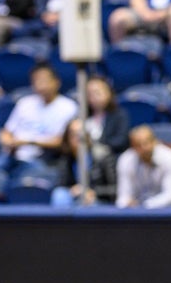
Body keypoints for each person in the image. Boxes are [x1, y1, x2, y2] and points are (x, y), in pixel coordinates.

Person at [0, 64, 78, 192]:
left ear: (56, 82)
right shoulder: (25, 103)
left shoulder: (68, 107)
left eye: (44, 80)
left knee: (23, 186)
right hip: (12, 155)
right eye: (36, 80)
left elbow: (64, 142)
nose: (40, 84)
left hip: (43, 160)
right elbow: (6, 132)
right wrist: (8, 142)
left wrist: (29, 142)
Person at [55, 76, 130, 206]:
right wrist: (74, 189)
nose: (94, 97)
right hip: (81, 185)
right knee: (60, 195)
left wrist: (94, 192)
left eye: (98, 92)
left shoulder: (119, 115)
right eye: (89, 93)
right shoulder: (81, 117)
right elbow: (64, 182)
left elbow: (121, 140)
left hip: (108, 161)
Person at [115, 125, 171, 208]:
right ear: (132, 147)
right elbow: (123, 196)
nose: (144, 148)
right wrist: (126, 203)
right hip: (138, 214)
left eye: (146, 143)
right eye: (138, 145)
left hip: (170, 212)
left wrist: (145, 205)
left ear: (155, 142)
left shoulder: (169, 157)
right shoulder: (125, 160)